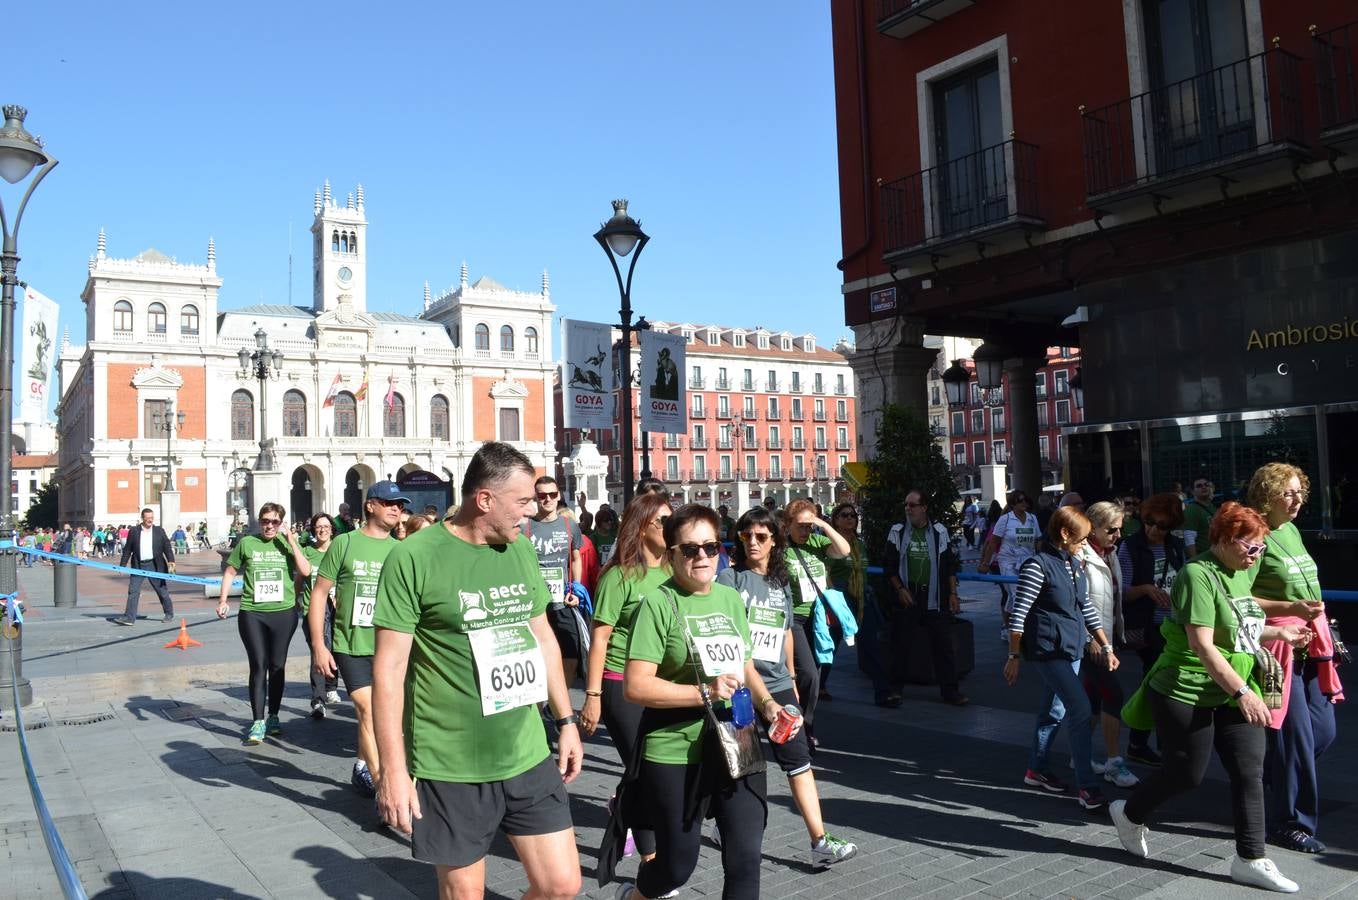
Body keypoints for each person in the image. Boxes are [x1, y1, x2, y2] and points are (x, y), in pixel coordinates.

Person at [372, 442, 582, 900]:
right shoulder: (414, 557)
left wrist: (566, 721)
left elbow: (542, 635)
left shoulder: (520, 550)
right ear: (484, 499)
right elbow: (389, 669)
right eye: (523, 501)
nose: (530, 513)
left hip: (525, 749)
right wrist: (393, 769)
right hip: (451, 761)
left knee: (562, 885)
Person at [1111, 503, 1311, 893]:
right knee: (1186, 774)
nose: (1256, 557)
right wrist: (1242, 691)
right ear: (1221, 540)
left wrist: (1282, 628)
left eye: (1261, 549)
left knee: (1249, 770)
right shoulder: (1195, 574)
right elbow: (1203, 645)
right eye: (1249, 548)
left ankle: (1251, 859)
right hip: (1186, 687)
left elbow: (1238, 623)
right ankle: (1129, 813)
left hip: (1231, 687)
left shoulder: (1239, 570)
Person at [613, 504, 784, 900]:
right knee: (677, 864)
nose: (702, 557)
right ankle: (635, 896)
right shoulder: (657, 604)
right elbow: (635, 687)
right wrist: (703, 693)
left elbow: (744, 667)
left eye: (710, 547)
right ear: (672, 553)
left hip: (735, 740)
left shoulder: (728, 598)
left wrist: (769, 705)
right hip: (676, 748)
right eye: (689, 550)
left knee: (744, 859)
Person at [719, 506, 858, 868]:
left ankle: (819, 840)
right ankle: (725, 821)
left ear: (774, 541)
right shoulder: (729, 580)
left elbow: (785, 633)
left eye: (761, 536)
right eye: (746, 535)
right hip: (740, 690)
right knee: (743, 764)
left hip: (779, 685)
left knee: (798, 761)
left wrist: (792, 680)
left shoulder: (781, 582)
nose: (752, 542)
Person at [1247, 463, 1343, 854]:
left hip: (1311, 646)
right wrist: (1290, 608)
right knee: (1296, 738)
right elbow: (1237, 596)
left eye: (1299, 492)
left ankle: (1273, 776)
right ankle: (1289, 822)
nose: (1297, 499)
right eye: (1288, 493)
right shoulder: (1252, 533)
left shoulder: (1291, 530)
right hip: (1277, 651)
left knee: (1324, 732)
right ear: (1267, 495)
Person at [579, 491, 674, 864]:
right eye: (662, 521)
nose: (670, 527)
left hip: (664, 683)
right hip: (621, 683)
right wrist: (592, 695)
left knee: (653, 770)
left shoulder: (674, 570)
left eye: (672, 519)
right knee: (646, 772)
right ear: (641, 527)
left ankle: (625, 803)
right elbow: (599, 637)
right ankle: (652, 865)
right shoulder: (621, 576)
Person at [1005, 507, 1117, 811]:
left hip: (1071, 648)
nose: (1085, 545)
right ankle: (1087, 786)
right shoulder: (1037, 566)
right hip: (1047, 650)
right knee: (1079, 709)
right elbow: (1019, 615)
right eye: (1081, 539)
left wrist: (1106, 645)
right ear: (1064, 535)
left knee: (1053, 709)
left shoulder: (1074, 564)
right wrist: (1014, 655)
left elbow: (1086, 607)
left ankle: (1036, 768)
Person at [310, 481, 407, 799]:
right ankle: (384, 785)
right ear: (370, 506)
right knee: (367, 711)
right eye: (389, 502)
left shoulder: (401, 550)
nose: (396, 509)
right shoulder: (346, 543)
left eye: (400, 505)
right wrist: (319, 647)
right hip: (351, 645)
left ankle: (363, 765)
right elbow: (320, 594)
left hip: (391, 648)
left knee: (388, 715)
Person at [217, 502, 311, 745]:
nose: (269, 526)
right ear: (260, 522)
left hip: (283, 612)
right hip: (253, 612)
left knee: (277, 665)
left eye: (275, 522)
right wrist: (223, 599)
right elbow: (230, 571)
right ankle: (257, 721)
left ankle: (273, 716)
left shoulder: (286, 543)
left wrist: (292, 542)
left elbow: (306, 570)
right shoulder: (247, 543)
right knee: (259, 664)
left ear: (282, 523)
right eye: (265, 521)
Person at [1119, 492, 1188, 767]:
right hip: (1148, 626)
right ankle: (1154, 742)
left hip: (1172, 623)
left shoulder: (1175, 546)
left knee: (1155, 683)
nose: (1153, 529)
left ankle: (1142, 741)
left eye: (1161, 525)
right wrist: (1147, 589)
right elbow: (1121, 591)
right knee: (1159, 681)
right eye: (1149, 521)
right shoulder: (1131, 547)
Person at [882, 489, 967, 706]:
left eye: (912, 505)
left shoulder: (940, 531)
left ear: (924, 508)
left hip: (934, 597)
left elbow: (949, 565)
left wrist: (953, 594)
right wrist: (900, 589)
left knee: (944, 647)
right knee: (900, 645)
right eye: (906, 505)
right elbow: (889, 566)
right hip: (908, 596)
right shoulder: (897, 531)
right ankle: (894, 690)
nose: (908, 509)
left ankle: (950, 691)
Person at [1079, 501, 1138, 788]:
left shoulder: (1110, 553)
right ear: (1093, 527)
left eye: (1119, 530)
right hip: (1092, 642)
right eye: (1111, 530)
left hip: (1107, 639)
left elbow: (1113, 597)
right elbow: (1080, 602)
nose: (1117, 535)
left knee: (1091, 699)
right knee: (1113, 694)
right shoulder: (1080, 555)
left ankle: (1079, 753)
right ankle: (1114, 762)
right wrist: (1093, 639)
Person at [784, 498, 851, 743]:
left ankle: (804, 722)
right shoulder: (782, 547)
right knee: (810, 674)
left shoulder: (817, 541)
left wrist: (823, 525)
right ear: (788, 524)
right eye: (800, 525)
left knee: (815, 672)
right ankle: (803, 724)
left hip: (819, 616)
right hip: (795, 617)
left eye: (808, 526)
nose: (805, 531)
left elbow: (844, 550)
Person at [522, 475, 585, 685]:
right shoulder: (525, 528)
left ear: (558, 496)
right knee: (537, 654)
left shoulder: (570, 526)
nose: (547, 499)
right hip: (536, 603)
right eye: (542, 495)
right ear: (536, 498)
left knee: (571, 652)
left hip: (563, 601)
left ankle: (559, 700)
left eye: (552, 494)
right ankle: (539, 706)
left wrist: (576, 589)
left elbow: (576, 558)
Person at [298, 513, 340, 719]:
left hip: (338, 608)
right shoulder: (307, 552)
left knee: (336, 648)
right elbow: (300, 578)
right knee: (319, 650)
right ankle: (318, 699)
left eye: (325, 526)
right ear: (313, 530)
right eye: (318, 527)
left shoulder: (340, 550)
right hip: (311, 610)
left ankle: (332, 685)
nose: (322, 530)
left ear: (332, 529)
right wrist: (296, 601)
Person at [980, 491, 1038, 627]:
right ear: (1012, 504)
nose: (1024, 503)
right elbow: (992, 543)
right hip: (1008, 562)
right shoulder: (1005, 519)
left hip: (1028, 562)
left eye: (1026, 500)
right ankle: (1017, 630)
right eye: (1020, 500)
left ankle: (1007, 625)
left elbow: (1037, 540)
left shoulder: (1032, 519)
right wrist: (985, 563)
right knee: (1018, 595)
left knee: (1019, 596)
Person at [113, 507, 177, 626]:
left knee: (161, 590)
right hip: (138, 565)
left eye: (152, 518)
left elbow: (167, 547)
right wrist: (122, 566)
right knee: (133, 591)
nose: (150, 521)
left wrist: (171, 561)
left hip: (155, 565)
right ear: (142, 518)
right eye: (148, 518)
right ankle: (129, 618)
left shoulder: (159, 531)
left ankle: (169, 613)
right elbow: (127, 550)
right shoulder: (134, 531)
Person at [1183, 476, 1217, 556]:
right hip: (1203, 559)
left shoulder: (1212, 507)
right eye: (1199, 486)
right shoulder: (1191, 510)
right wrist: (1195, 561)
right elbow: (1189, 539)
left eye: (1206, 485)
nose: (1204, 487)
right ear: (1192, 491)